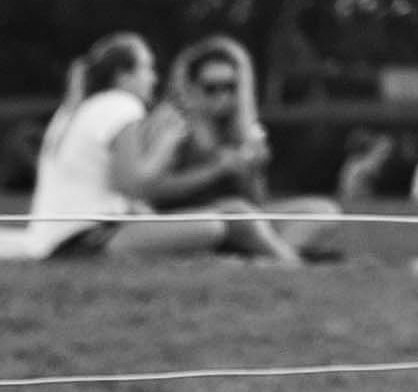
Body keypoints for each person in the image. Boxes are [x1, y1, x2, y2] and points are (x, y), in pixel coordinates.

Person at [14, 34, 307, 263]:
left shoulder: (77, 110)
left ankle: (279, 261)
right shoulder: (120, 105)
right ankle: (288, 264)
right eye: (147, 68)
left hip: (64, 236)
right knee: (216, 224)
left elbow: (119, 188)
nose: (153, 77)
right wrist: (166, 147)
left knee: (228, 218)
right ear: (123, 75)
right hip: (82, 240)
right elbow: (132, 183)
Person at [132, 37, 341, 257]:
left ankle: (266, 259)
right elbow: (151, 190)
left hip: (241, 219)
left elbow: (256, 201)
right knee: (237, 211)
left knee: (322, 211)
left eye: (231, 87)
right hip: (189, 220)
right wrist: (215, 170)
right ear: (190, 86)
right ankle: (287, 262)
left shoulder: (240, 127)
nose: (223, 96)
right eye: (211, 88)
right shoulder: (171, 121)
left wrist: (253, 170)